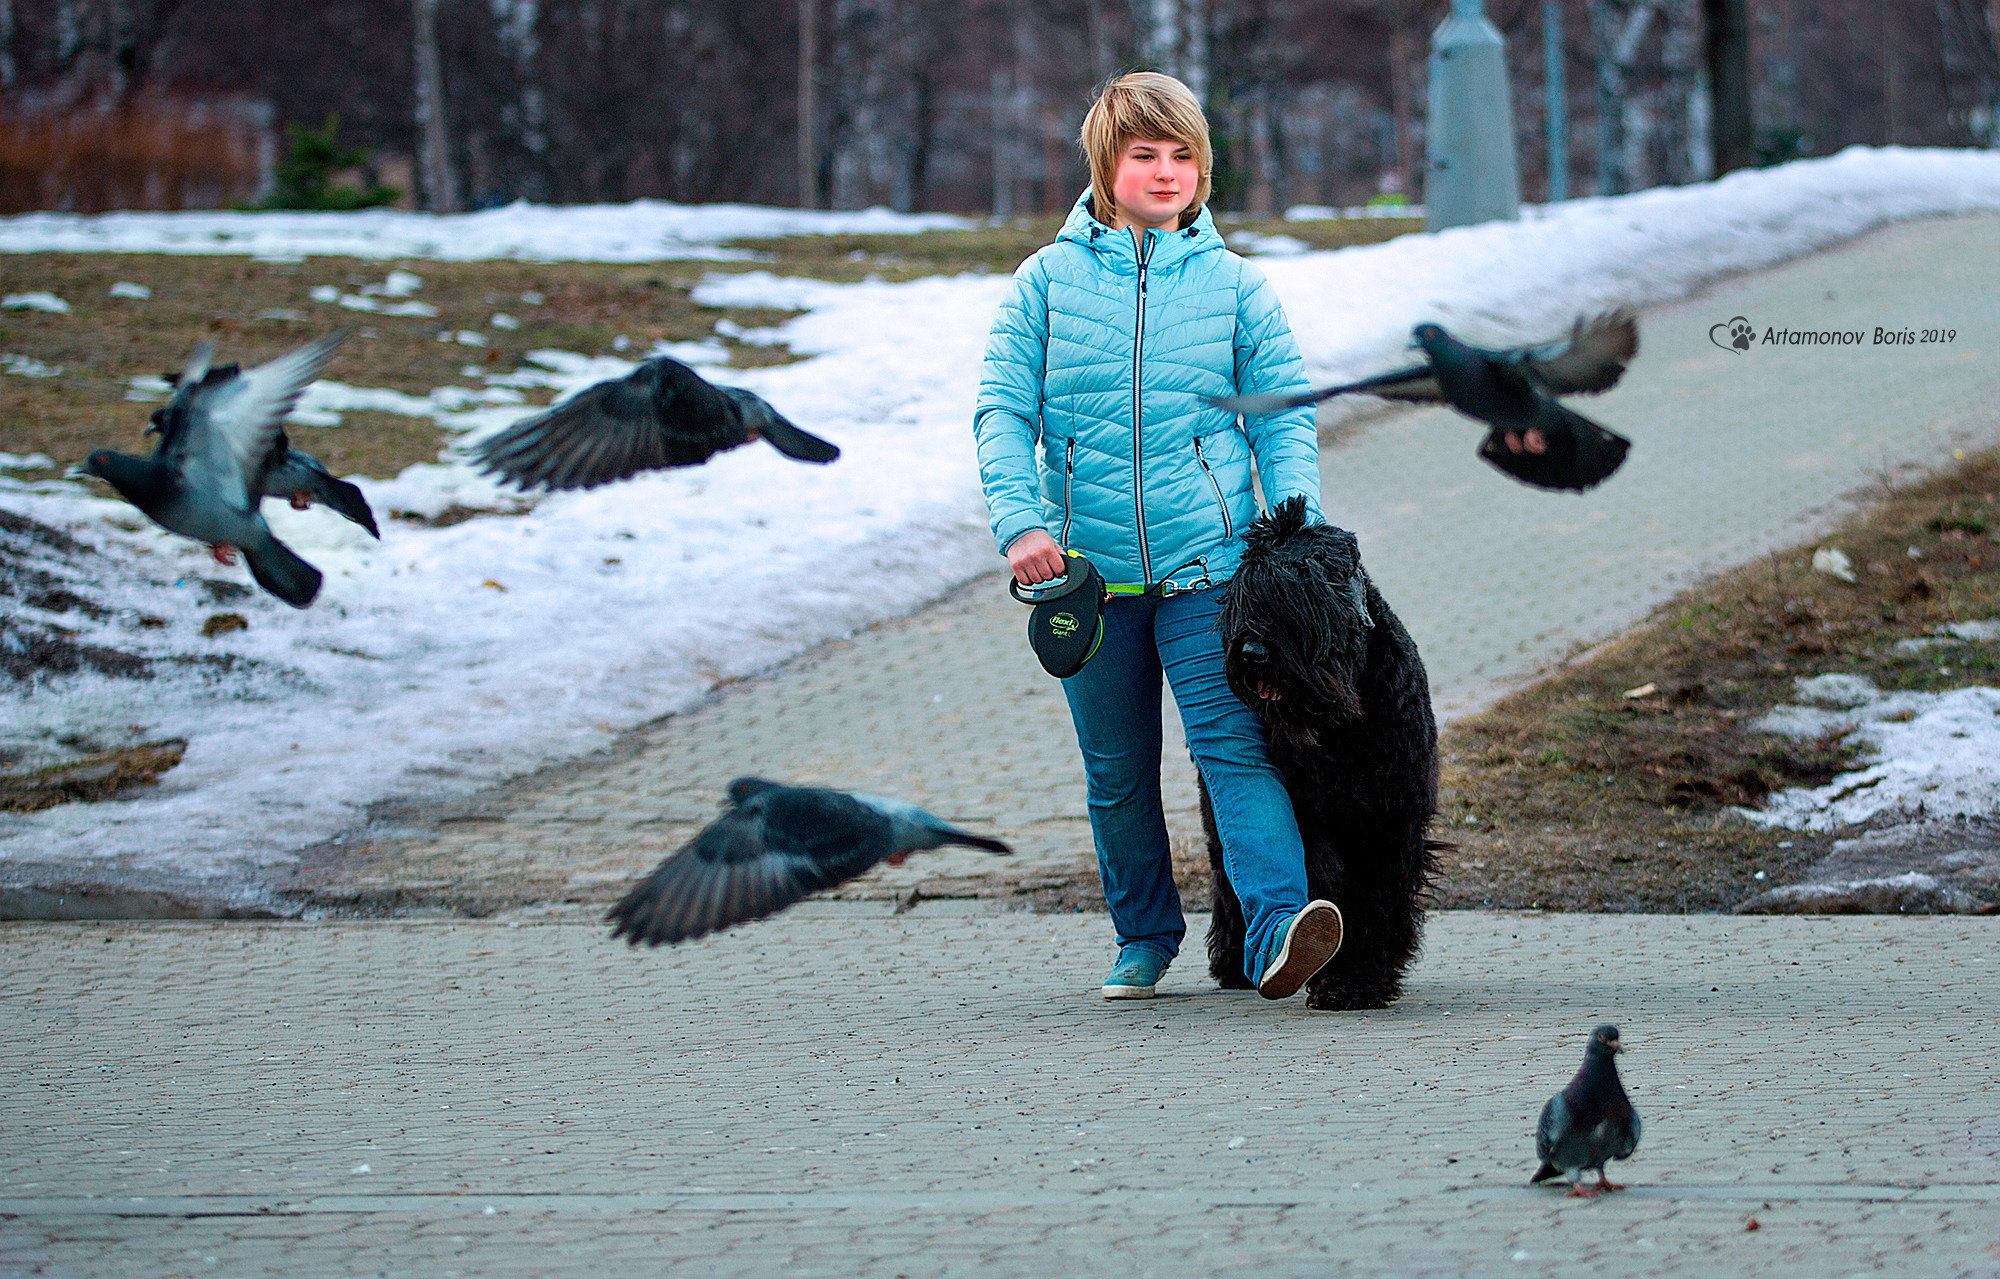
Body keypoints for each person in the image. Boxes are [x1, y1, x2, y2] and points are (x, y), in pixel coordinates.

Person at [973, 71, 1341, 1003]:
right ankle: (1143, 937)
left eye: (1183, 155)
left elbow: (1283, 419)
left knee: (1235, 752)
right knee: (1118, 773)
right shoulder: (1045, 284)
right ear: (1107, 166)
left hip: (1209, 570)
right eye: (1145, 155)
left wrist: (1292, 529)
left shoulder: (1235, 287)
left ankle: (1279, 931)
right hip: (1087, 580)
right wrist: (1021, 524)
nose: (1167, 172)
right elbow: (1002, 412)